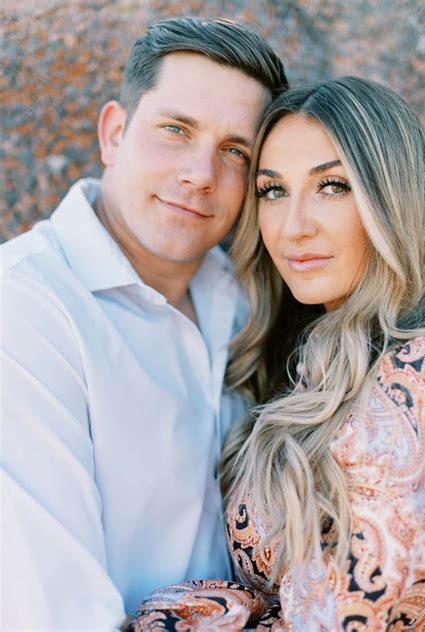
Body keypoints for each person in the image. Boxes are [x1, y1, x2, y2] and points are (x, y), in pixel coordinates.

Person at [130, 78, 425, 631]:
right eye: (273, 191)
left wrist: (193, 615)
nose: (294, 227)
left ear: (393, 199)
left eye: (332, 186)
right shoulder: (306, 363)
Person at [0, 17, 288, 630]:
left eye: (235, 151)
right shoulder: (25, 310)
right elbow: (53, 613)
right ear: (114, 132)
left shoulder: (243, 299)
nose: (201, 174)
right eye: (175, 130)